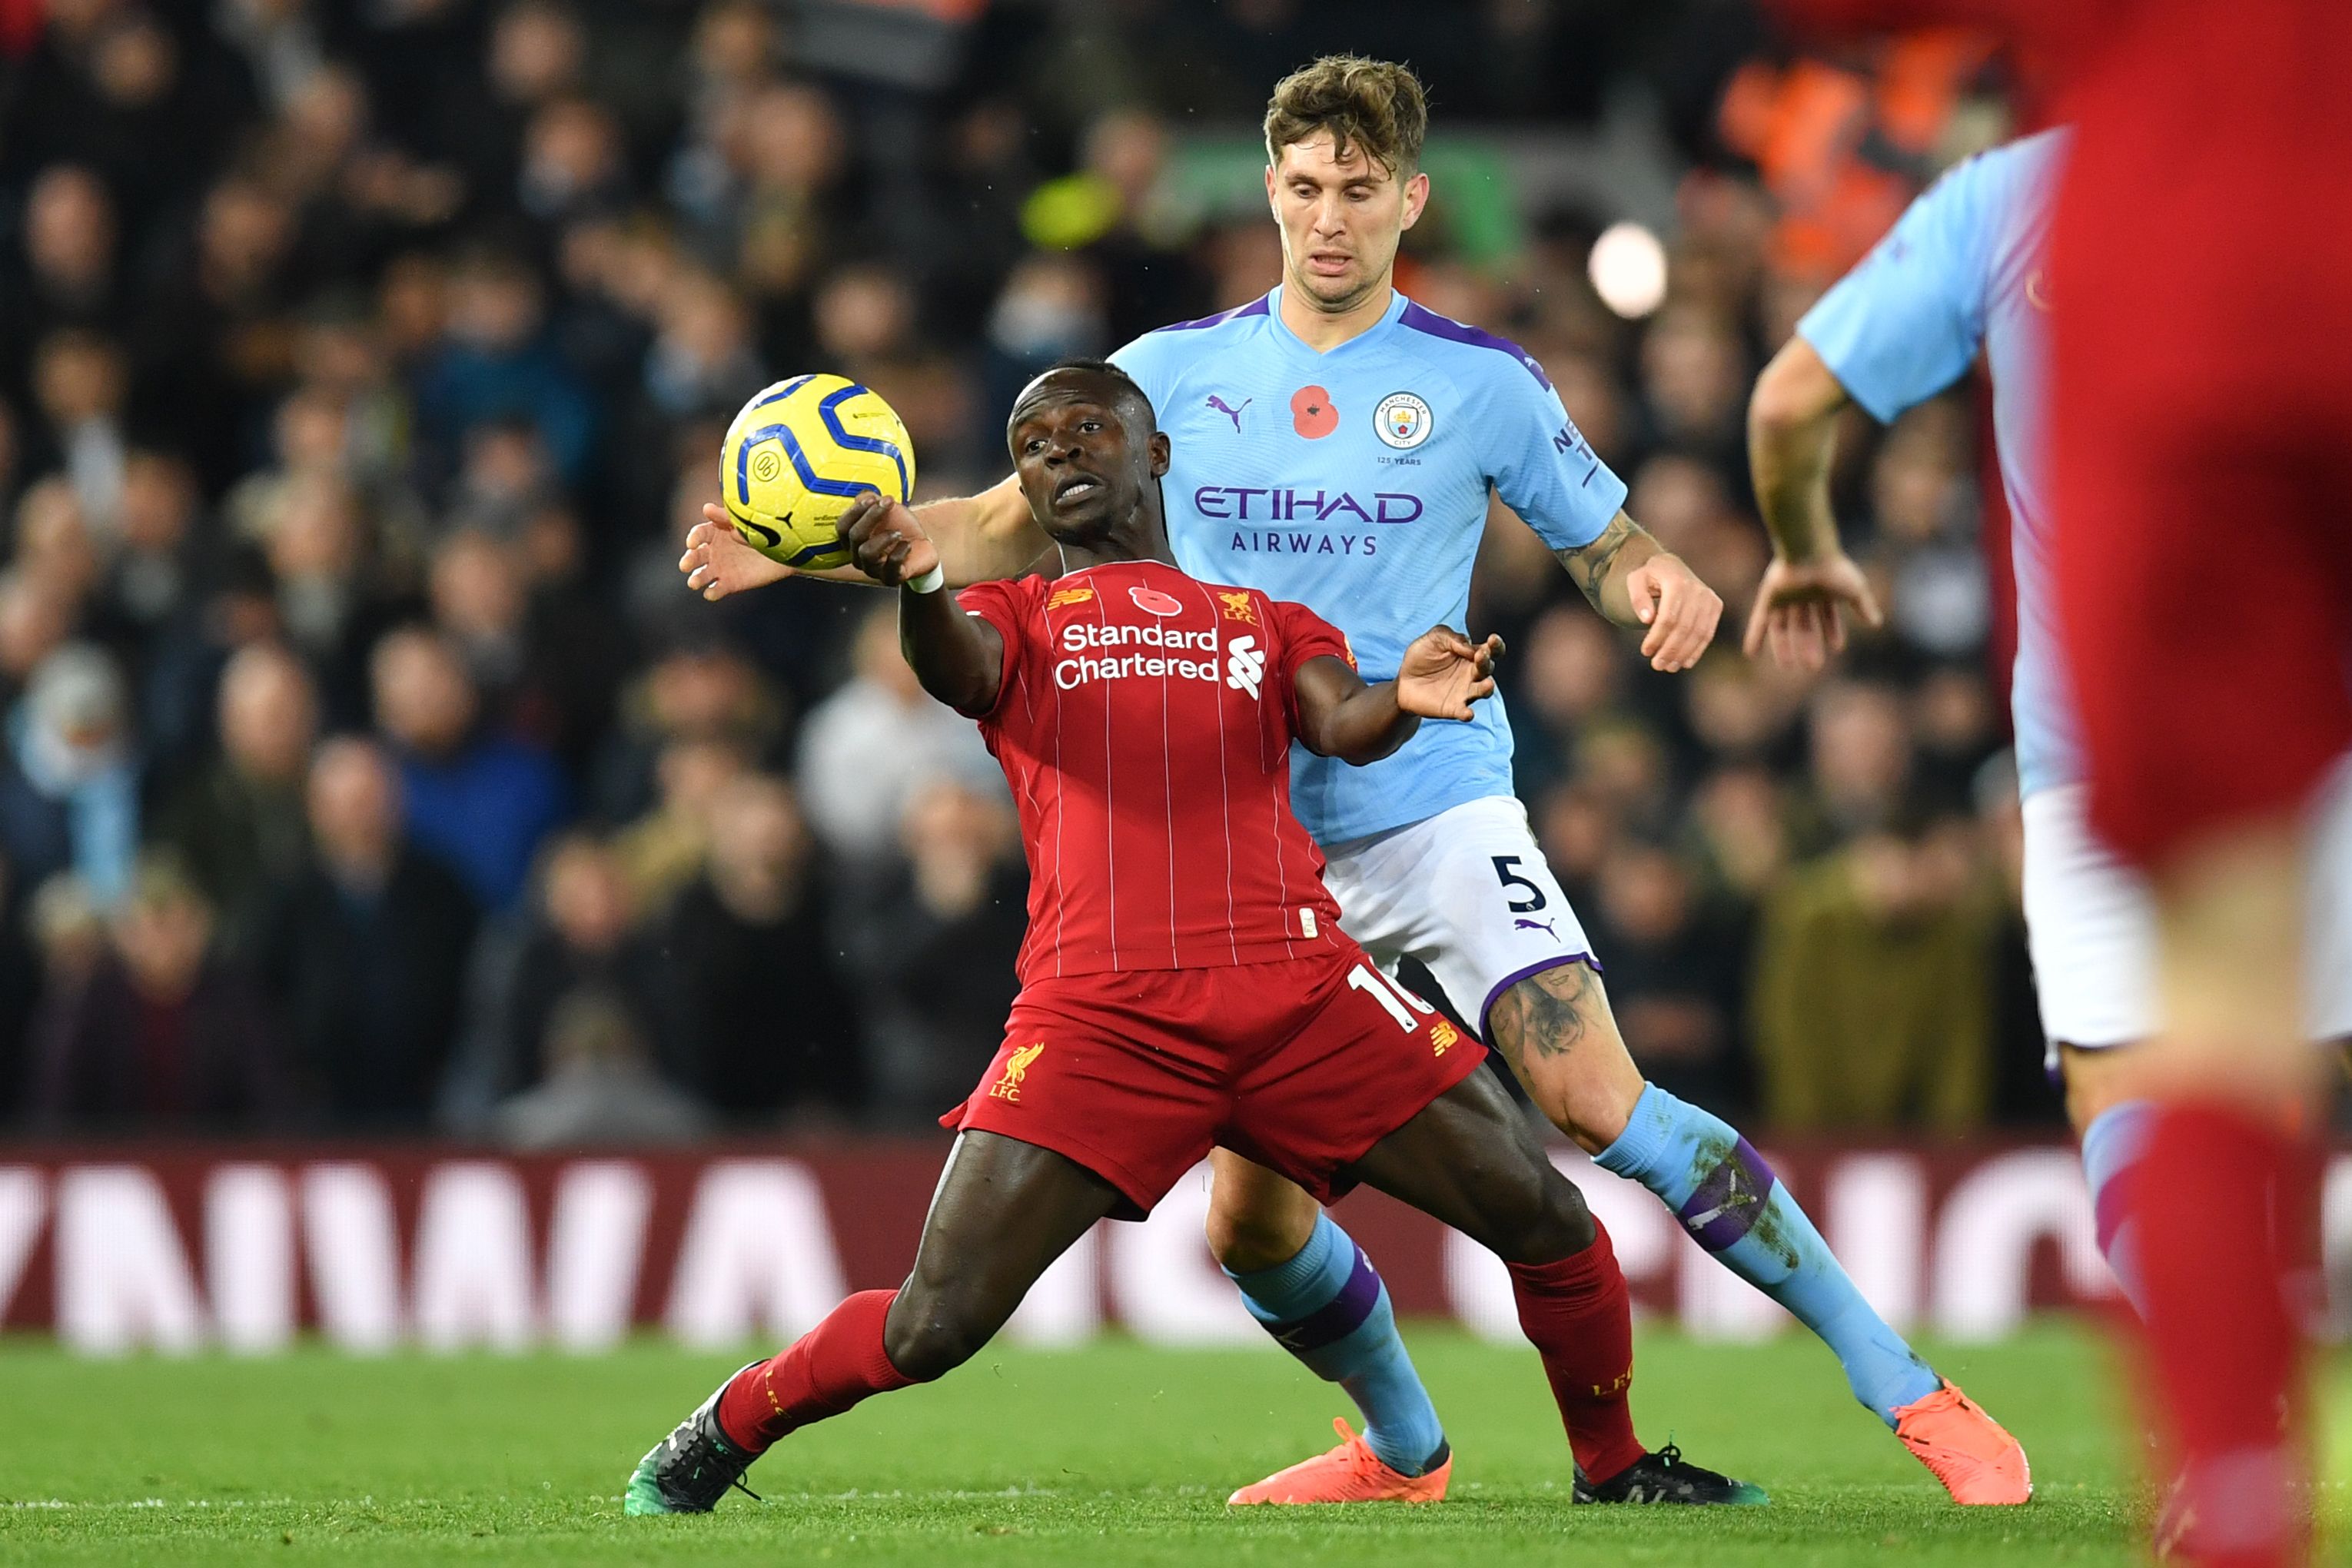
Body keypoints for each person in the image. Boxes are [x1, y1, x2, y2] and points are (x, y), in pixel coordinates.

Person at [679, 55, 2021, 1504]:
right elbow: (995, 529)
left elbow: (1609, 538)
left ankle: (1906, 1384)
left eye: (1360, 192)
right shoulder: (1168, 373)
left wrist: (1668, 586)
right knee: (1251, 1235)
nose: (1329, 219)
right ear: (1268, 190)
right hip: (1250, 860)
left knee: (1592, 1099)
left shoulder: (1482, 382)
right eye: (1306, 188)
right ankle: (1402, 1454)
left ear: (1411, 201)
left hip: (1432, 803)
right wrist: (805, 541)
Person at [626, 362, 1759, 1516]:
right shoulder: (1009, 616)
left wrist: (1403, 698)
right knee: (935, 1322)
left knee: (1548, 1215)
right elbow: (954, 672)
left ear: (1156, 455)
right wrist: (920, 580)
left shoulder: (1261, 623)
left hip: (1302, 999)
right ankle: (725, 1425)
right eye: (1032, 444)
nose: (1060, 452)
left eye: (1086, 429)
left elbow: (1339, 717)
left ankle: (1614, 1470)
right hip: (1101, 1019)